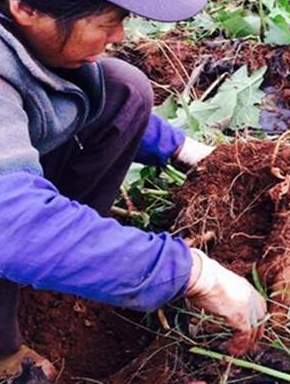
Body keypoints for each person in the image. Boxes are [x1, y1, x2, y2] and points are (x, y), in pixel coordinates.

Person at [0, 0, 268, 380]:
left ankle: (70, 256)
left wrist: (180, 148)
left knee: (125, 88)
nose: (119, 36)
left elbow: (60, 95)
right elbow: (12, 224)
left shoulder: (23, 33)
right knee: (18, 235)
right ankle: (4, 352)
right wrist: (194, 274)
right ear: (26, 7)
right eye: (106, 22)